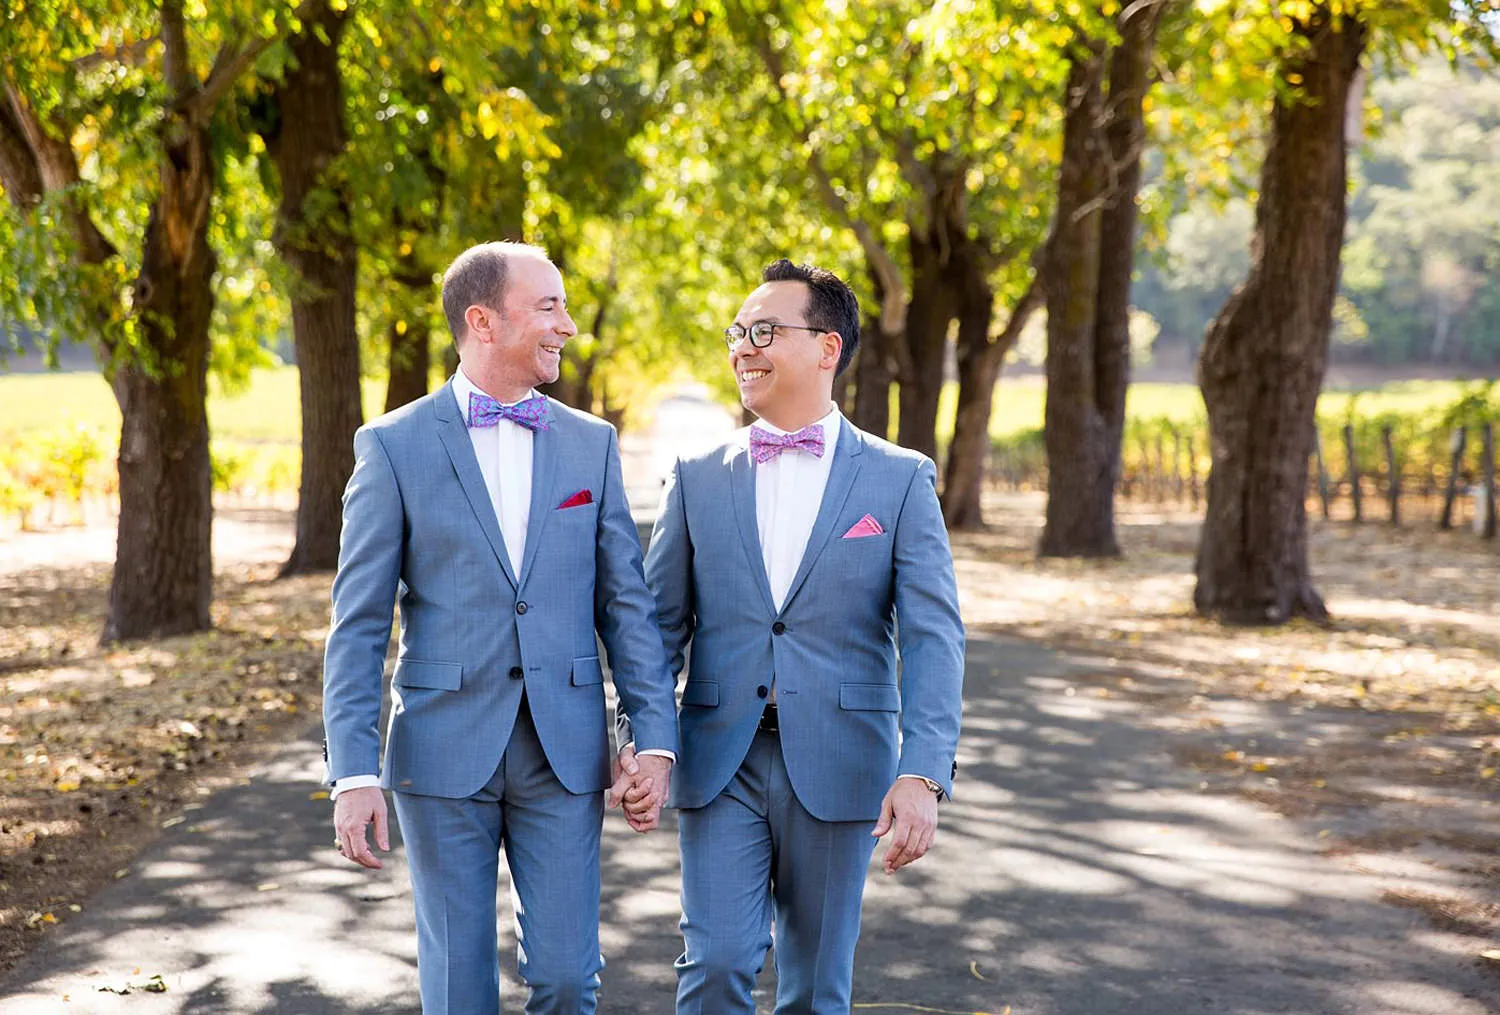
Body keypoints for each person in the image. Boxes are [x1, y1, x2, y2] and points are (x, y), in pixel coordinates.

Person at [322, 241, 678, 1015]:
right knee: (459, 985)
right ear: (483, 320)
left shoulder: (594, 443)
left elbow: (627, 607)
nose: (569, 326)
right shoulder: (391, 447)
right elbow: (356, 626)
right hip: (441, 749)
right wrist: (352, 773)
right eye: (549, 306)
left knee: (565, 974)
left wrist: (651, 737)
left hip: (565, 750)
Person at [616, 259, 965, 1014]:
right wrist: (642, 736)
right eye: (737, 332)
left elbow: (934, 635)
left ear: (827, 347)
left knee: (814, 990)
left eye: (765, 330)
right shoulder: (697, 474)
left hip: (844, 762)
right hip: (720, 758)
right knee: (715, 963)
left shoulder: (899, 479)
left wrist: (924, 771)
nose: (744, 346)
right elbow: (656, 628)